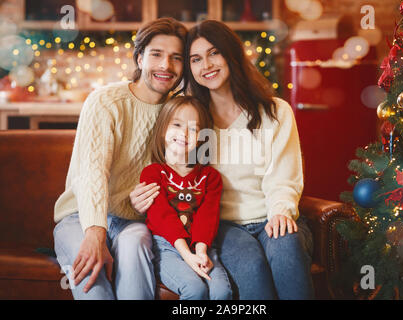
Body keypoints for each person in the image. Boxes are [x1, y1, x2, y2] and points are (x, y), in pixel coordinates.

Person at [52, 17, 187, 300]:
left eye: (176, 58)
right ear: (140, 58)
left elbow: (186, 175)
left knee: (136, 243)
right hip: (80, 216)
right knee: (91, 276)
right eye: (156, 55)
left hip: (133, 221)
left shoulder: (180, 111)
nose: (166, 66)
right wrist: (95, 231)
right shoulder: (106, 101)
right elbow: (93, 172)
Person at [184, 20, 314, 300]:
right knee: (251, 265)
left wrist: (281, 211)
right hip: (224, 226)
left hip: (272, 214)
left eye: (213, 53)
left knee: (285, 248)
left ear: (231, 54)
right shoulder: (191, 121)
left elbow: (284, 176)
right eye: (196, 59)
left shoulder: (276, 112)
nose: (206, 65)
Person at [139, 96, 232, 300]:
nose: (184, 133)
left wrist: (200, 252)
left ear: (201, 138)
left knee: (221, 292)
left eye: (193, 128)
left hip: (203, 246)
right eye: (177, 124)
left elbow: (207, 217)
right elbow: (161, 216)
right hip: (167, 246)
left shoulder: (210, 177)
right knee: (194, 290)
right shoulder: (153, 173)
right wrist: (186, 255)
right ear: (163, 129)